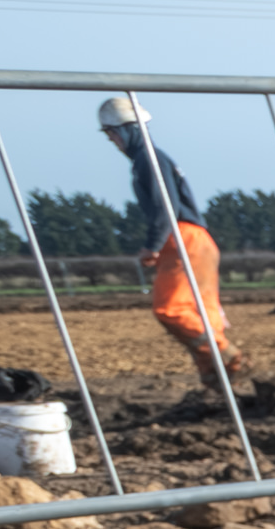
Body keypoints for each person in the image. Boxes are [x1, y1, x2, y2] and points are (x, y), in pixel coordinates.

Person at [98, 95, 237, 395]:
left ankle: (228, 356)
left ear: (128, 129)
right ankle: (219, 381)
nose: (110, 140)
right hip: (199, 238)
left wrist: (153, 244)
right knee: (202, 312)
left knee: (170, 309)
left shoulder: (147, 159)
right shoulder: (155, 157)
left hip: (183, 236)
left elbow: (165, 206)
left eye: (111, 132)